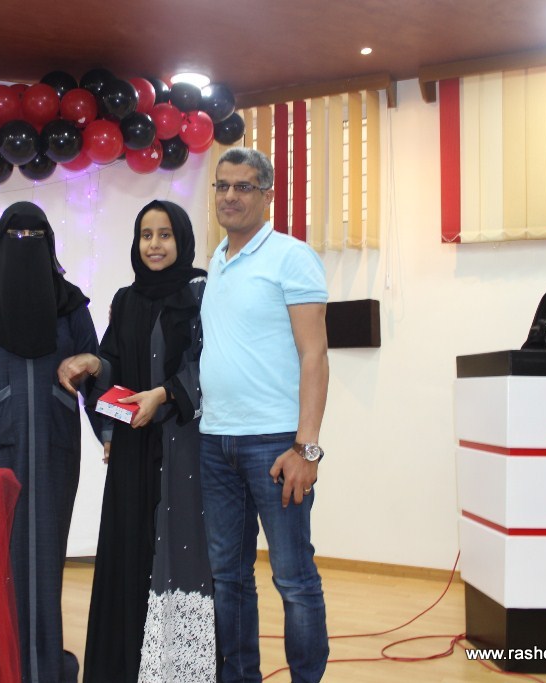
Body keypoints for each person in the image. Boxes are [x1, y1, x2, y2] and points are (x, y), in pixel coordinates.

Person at [0, 201, 99, 683]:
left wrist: (109, 432)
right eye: (16, 236)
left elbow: (93, 368)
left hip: (54, 451)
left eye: (35, 237)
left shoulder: (69, 303)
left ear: (50, 245)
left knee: (46, 560)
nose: (25, 245)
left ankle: (43, 668)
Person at [57, 200, 215, 682]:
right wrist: (94, 366)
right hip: (133, 448)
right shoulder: (127, 299)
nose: (154, 245)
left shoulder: (201, 293)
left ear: (182, 240)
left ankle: (177, 672)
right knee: (129, 555)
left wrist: (164, 395)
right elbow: (115, 364)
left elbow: (210, 364)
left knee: (178, 554)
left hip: (182, 449)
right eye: (146, 235)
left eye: (165, 234)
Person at [200, 148, 330, 682]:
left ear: (267, 194)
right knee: (228, 578)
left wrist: (306, 448)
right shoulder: (216, 260)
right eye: (222, 185)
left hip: (276, 445)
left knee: (293, 578)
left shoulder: (291, 257)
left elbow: (314, 355)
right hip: (215, 442)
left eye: (244, 186)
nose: (230, 196)